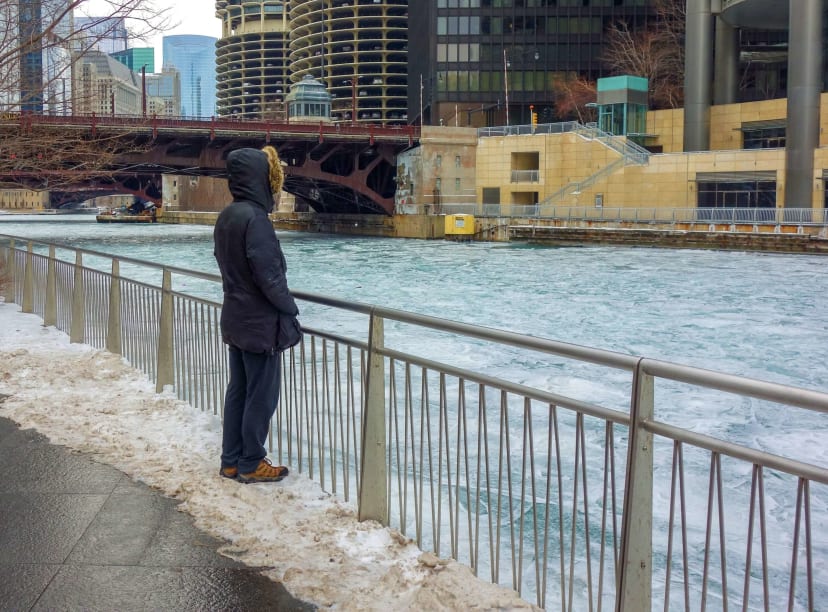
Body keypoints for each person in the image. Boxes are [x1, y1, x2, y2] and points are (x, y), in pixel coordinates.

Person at [213, 145, 298, 483]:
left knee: (239, 391)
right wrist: (289, 308)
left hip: (235, 316)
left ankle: (231, 460)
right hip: (259, 322)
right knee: (261, 395)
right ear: (261, 179)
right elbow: (269, 276)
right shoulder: (256, 220)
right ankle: (252, 462)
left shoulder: (228, 215)